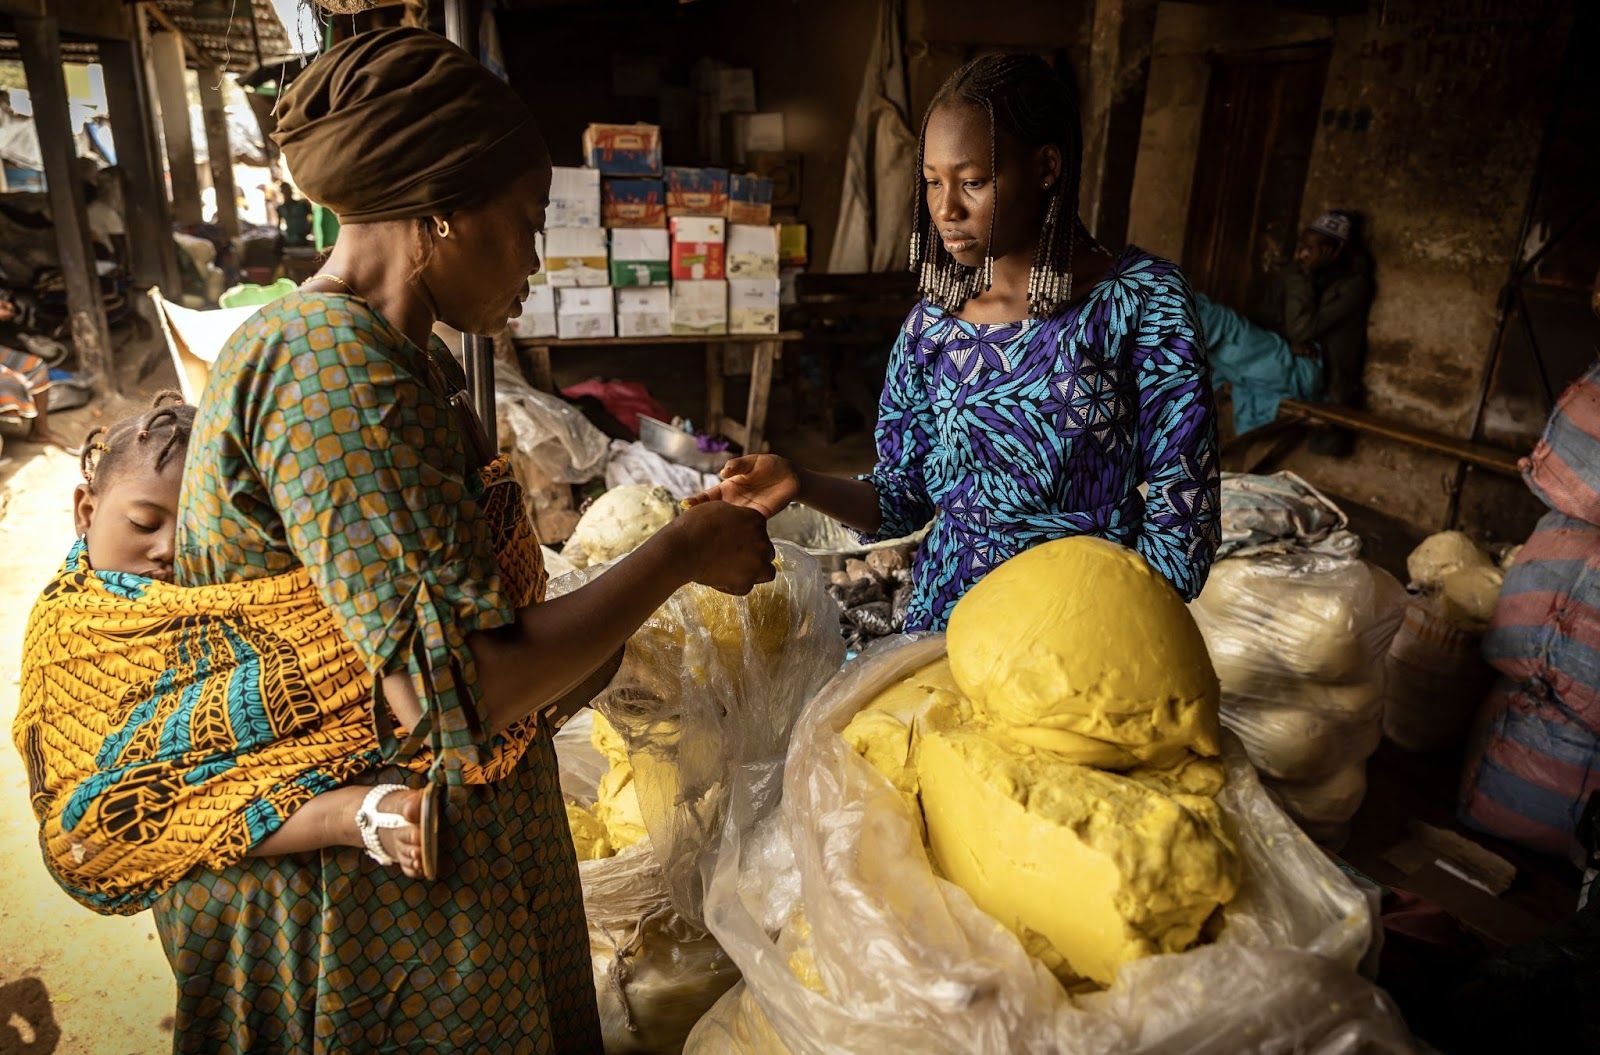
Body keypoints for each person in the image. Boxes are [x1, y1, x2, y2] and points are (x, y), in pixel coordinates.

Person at [28, 28, 774, 1052]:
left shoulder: (387, 358)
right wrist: (682, 552)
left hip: (434, 877)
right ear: (438, 210)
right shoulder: (335, 376)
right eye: (521, 225)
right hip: (371, 909)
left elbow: (457, 615)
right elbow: (456, 690)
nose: (537, 256)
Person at [692, 54, 1220, 630]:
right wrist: (801, 481)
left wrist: (1108, 642)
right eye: (933, 182)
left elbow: (1182, 518)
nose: (946, 210)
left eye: (973, 182)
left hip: (1088, 624)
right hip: (950, 622)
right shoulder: (934, 327)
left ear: (1046, 167)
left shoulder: (1141, 301)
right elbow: (902, 497)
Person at [1198, 210, 1374, 442]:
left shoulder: (1353, 287)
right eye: (1302, 245)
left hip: (1313, 371)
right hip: (1284, 354)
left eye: (1310, 248)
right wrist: (1289, 342)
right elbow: (1265, 318)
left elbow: (1302, 329)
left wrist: (1305, 275)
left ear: (1333, 252)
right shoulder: (1298, 274)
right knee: (1212, 334)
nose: (1301, 254)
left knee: (1222, 325)